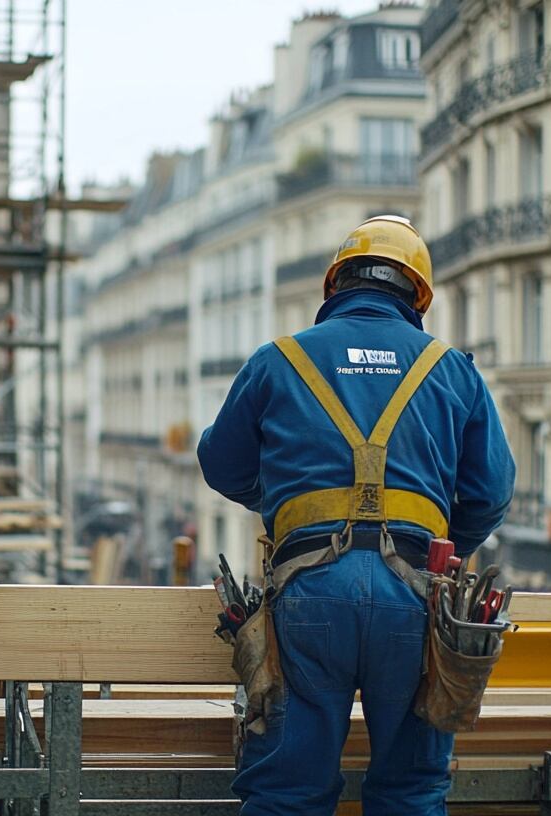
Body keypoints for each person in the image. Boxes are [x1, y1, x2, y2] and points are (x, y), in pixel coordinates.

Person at [197, 215, 514, 815]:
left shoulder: (278, 359)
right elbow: (491, 491)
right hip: (416, 595)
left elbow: (221, 464)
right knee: (410, 790)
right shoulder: (452, 370)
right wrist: (445, 545)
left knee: (287, 790)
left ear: (335, 284)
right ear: (416, 294)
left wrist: (292, 509)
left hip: (309, 589)